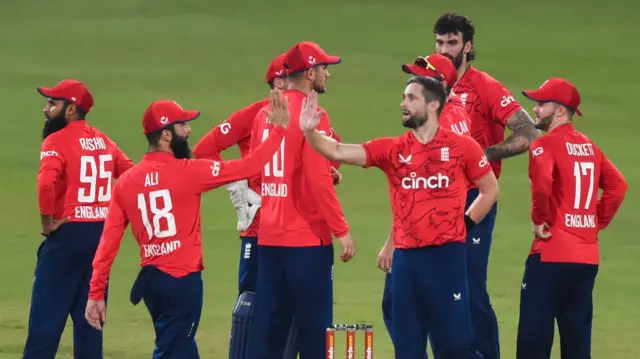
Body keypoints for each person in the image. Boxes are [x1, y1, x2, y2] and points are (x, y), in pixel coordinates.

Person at [301, 76, 499, 359]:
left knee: (454, 346)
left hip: (447, 258)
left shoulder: (463, 147)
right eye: (403, 97)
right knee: (407, 347)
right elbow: (338, 151)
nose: (402, 103)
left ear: (432, 105)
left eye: (411, 98)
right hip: (406, 260)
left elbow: (490, 190)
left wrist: (463, 225)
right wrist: (310, 133)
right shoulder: (393, 149)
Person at [85, 91, 290, 358]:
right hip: (182, 282)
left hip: (152, 282)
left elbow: (108, 243)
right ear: (166, 135)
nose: (189, 129)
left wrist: (96, 292)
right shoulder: (190, 172)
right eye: (183, 125)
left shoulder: (126, 182)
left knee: (181, 347)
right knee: (172, 349)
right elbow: (252, 164)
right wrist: (280, 129)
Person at [433, 12, 541, 358]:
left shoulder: (485, 87)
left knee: (470, 286)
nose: (445, 49)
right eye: (439, 42)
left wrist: (481, 153)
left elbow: (529, 133)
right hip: (436, 195)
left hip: (476, 194)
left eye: (452, 42)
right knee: (440, 285)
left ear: (468, 46)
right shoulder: (431, 86)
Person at [246, 41, 355, 359]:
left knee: (270, 330)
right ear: (310, 73)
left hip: (269, 238)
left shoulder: (263, 116)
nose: (327, 75)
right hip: (307, 242)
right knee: (315, 333)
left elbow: (256, 176)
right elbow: (318, 181)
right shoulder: (314, 116)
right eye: (324, 68)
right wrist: (342, 230)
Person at [516, 78, 628, 358]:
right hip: (585, 259)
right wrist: (594, 224)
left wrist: (539, 218)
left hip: (550, 256)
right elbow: (618, 186)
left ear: (561, 110)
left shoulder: (544, 145)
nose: (535, 109)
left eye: (542, 104)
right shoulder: (590, 147)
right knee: (577, 344)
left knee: (533, 344)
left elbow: (542, 184)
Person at [23, 79, 134, 359]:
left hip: (67, 238)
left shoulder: (55, 141)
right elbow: (131, 177)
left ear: (71, 110)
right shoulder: (103, 140)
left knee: (44, 329)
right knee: (90, 329)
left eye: (52, 104)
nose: (46, 110)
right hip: (100, 240)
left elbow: (46, 184)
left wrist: (47, 223)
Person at [379, 53, 473, 349]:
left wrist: (393, 241)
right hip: (446, 233)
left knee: (406, 311)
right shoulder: (457, 115)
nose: (408, 96)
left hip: (430, 239)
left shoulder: (437, 125)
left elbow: (420, 192)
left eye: (419, 76)